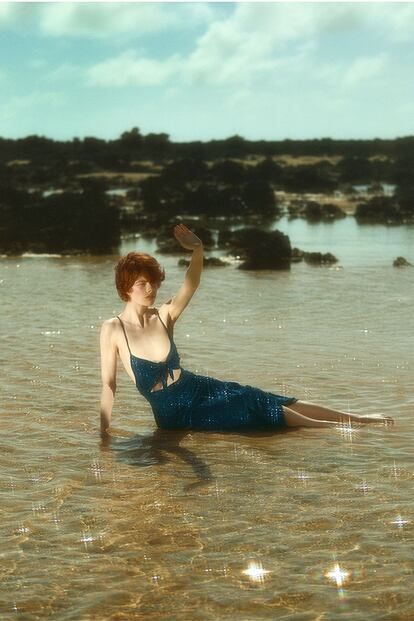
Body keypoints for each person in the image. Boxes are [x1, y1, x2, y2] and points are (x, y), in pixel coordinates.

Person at [99, 223, 394, 436]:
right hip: (177, 418)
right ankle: (342, 428)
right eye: (142, 283)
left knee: (263, 399)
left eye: (153, 281)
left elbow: (191, 283)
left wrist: (198, 249)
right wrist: (104, 433)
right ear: (126, 288)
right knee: (261, 411)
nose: (150, 288)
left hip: (201, 390)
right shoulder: (113, 329)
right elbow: (109, 386)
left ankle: (357, 419)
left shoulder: (164, 316)